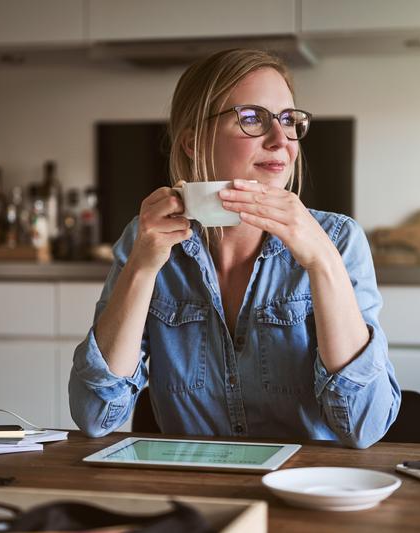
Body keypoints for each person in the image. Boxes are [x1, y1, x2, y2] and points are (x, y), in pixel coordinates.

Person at [69, 49, 400, 448]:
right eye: (251, 119)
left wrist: (322, 261)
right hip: (194, 493)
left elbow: (364, 427)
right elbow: (94, 416)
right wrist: (141, 268)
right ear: (193, 141)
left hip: (308, 490)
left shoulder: (339, 239)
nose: (281, 141)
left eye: (288, 121)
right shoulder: (145, 241)